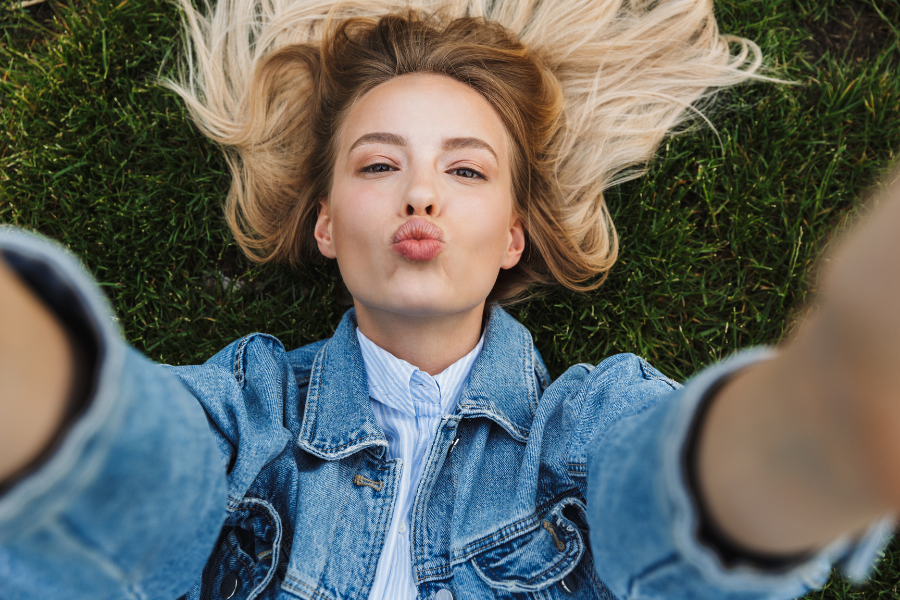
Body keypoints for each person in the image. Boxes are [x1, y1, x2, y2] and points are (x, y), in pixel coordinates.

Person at [0, 0, 897, 599]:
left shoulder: (580, 423)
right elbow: (145, 470)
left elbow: (656, 487)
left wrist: (802, 427)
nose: (419, 194)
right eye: (379, 164)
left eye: (464, 169)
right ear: (323, 225)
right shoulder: (255, 403)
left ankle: (824, 422)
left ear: (513, 237)